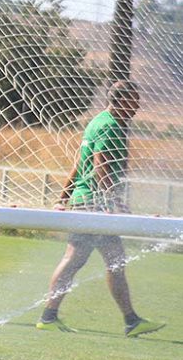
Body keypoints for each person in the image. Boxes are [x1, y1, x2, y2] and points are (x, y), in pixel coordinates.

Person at [36, 80, 165, 338]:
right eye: (134, 100)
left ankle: (52, 316)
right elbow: (98, 164)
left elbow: (78, 163)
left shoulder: (97, 121)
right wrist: (112, 201)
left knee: (90, 259)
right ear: (123, 100)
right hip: (94, 203)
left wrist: (64, 196)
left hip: (87, 201)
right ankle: (128, 320)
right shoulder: (111, 125)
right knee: (101, 260)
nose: (138, 106)